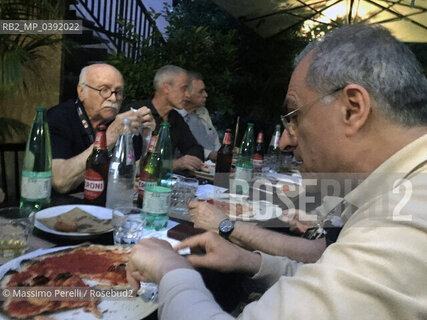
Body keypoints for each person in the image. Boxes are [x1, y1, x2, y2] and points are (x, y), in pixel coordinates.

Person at [126, 24, 427, 319]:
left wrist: (170, 270)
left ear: (352, 109)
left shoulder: (407, 221)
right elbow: (328, 277)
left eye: (294, 117)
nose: (284, 141)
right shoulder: (400, 193)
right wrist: (250, 261)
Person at [48, 64, 155, 194]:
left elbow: (136, 170)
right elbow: (60, 181)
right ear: (82, 92)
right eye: (104, 90)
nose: (113, 98)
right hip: (59, 206)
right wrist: (110, 137)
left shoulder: (118, 121)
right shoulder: (58, 118)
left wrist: (147, 138)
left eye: (118, 92)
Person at [127, 65, 204, 172]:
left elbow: (196, 150)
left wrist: (186, 161)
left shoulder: (175, 117)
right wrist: (175, 164)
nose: (187, 95)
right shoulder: (136, 113)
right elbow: (129, 163)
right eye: (184, 89)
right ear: (166, 87)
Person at [176, 72, 221, 162]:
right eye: (201, 91)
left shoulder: (203, 112)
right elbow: (178, 150)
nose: (206, 95)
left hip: (211, 168)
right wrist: (209, 154)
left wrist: (221, 154)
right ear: (187, 94)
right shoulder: (174, 117)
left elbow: (214, 140)